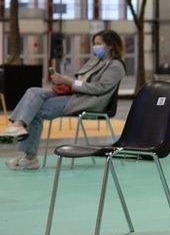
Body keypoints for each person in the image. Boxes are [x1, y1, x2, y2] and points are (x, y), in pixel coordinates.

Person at [0, 30, 126, 170]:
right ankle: (18, 125)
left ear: (110, 45)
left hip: (89, 101)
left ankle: (30, 157)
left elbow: (99, 88)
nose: (95, 47)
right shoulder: (96, 60)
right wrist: (63, 81)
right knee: (33, 91)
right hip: (76, 94)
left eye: (99, 44)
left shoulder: (116, 66)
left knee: (35, 110)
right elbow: (80, 80)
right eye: (94, 44)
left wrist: (70, 82)